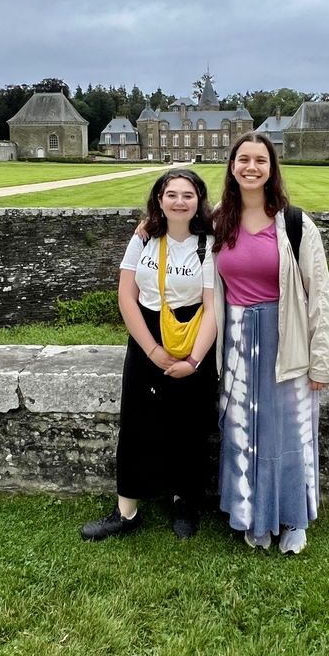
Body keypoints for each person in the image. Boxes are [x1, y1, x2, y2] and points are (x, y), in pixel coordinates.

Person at [213, 132, 329, 554]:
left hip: (287, 342)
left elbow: (319, 294)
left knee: (289, 433)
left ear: (271, 168)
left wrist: (320, 362)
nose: (251, 167)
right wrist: (145, 227)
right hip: (235, 343)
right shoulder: (217, 221)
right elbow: (175, 239)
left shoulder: (295, 224)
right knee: (241, 430)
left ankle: (293, 518)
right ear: (232, 166)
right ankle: (253, 515)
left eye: (260, 160)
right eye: (243, 159)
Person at [80, 169, 218, 542]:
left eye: (187, 195)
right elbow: (126, 296)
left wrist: (193, 361)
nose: (179, 201)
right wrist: (151, 349)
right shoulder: (142, 238)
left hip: (193, 335)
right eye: (171, 194)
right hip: (145, 336)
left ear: (199, 201)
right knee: (138, 423)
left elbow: (213, 305)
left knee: (189, 426)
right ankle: (126, 512)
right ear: (159, 200)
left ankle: (184, 501)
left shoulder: (207, 243)